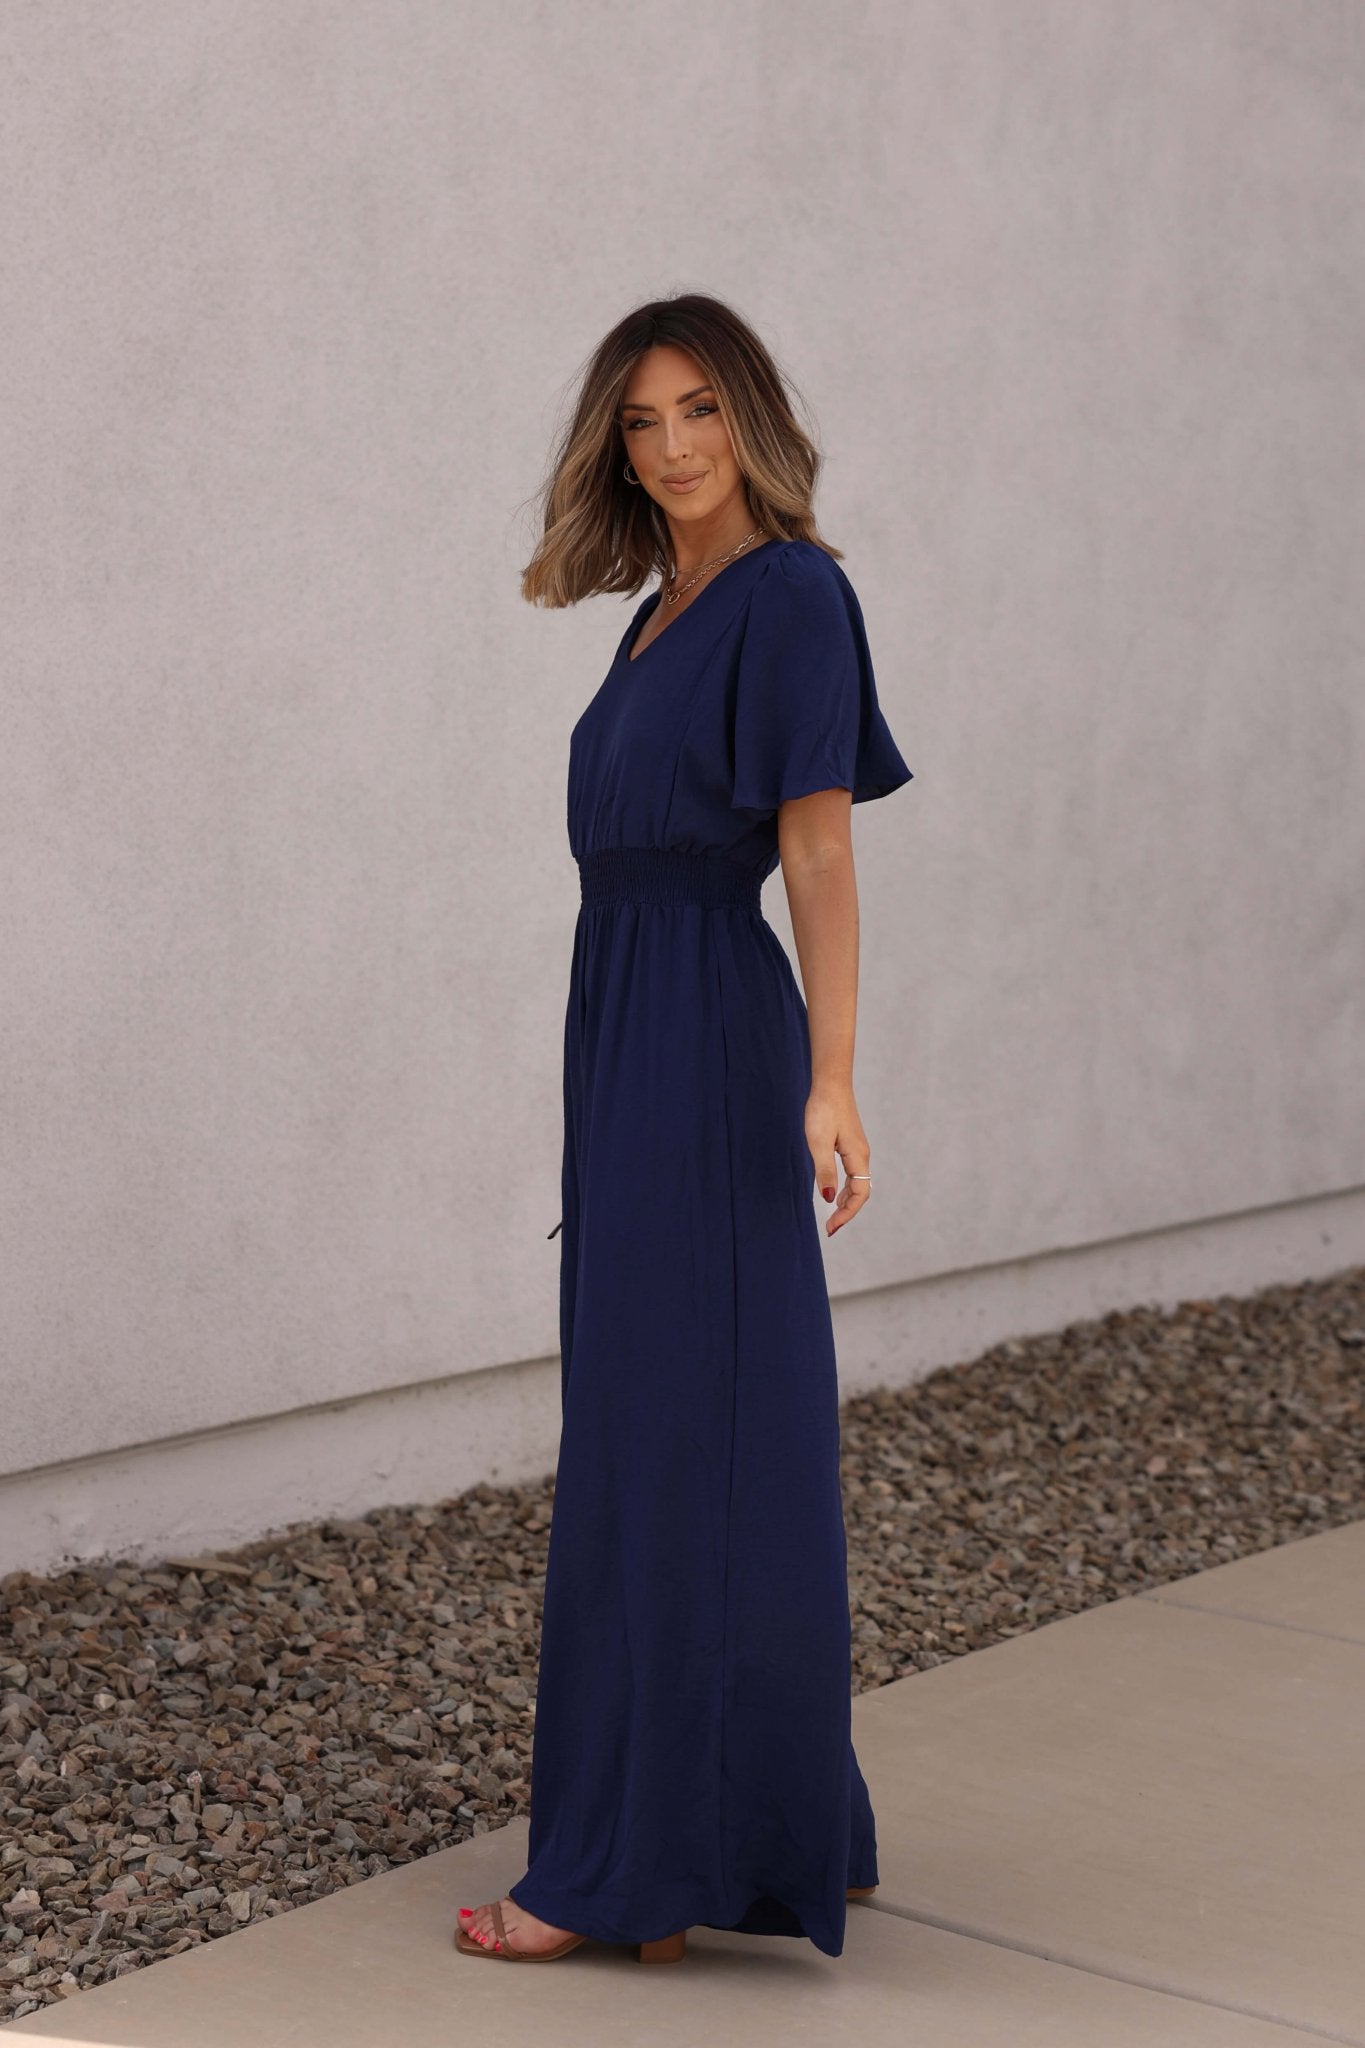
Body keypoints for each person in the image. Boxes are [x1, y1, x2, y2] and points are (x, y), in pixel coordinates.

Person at [456, 292, 914, 1966]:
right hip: (625, 1035)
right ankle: (777, 1821)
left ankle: (634, 1867)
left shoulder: (791, 594)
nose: (674, 449)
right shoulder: (663, 608)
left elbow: (817, 851)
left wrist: (833, 1076)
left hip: (709, 1038)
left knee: (679, 1435)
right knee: (674, 1424)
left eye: (700, 411)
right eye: (642, 423)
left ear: (753, 418)